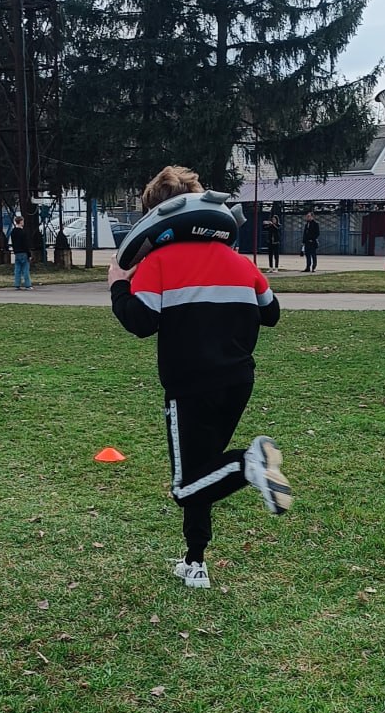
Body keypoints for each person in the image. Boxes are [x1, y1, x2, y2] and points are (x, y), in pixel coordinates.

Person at [108, 165, 292, 590]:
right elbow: (272, 314)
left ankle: (250, 464)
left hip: (190, 388)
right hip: (238, 384)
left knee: (185, 486)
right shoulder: (238, 262)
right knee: (204, 469)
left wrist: (119, 285)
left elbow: (139, 322)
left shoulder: (159, 263)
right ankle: (196, 561)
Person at [10, 215, 32, 290]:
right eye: (23, 221)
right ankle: (27, 285)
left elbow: (13, 242)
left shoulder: (13, 232)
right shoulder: (23, 232)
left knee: (17, 270)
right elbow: (25, 244)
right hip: (24, 252)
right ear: (21, 221)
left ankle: (17, 285)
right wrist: (29, 254)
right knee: (25, 269)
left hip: (17, 252)